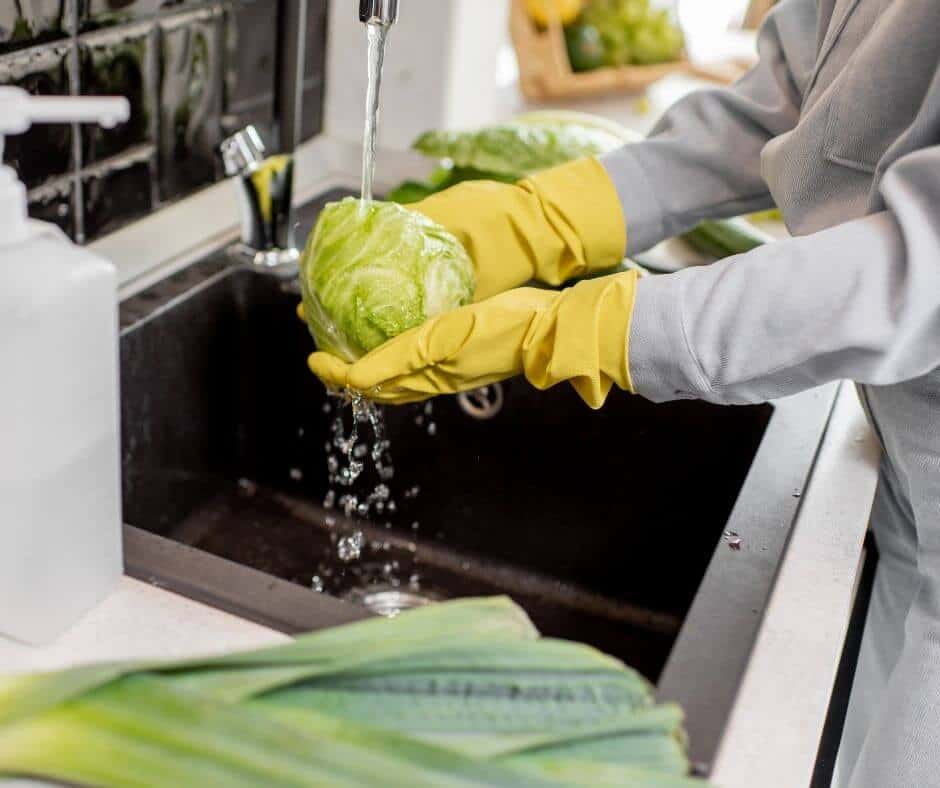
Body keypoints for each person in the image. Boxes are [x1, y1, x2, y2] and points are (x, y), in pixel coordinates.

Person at [308, 2, 940, 784]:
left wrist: (594, 327)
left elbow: (919, 269)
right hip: (911, 450)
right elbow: (801, 103)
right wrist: (553, 215)